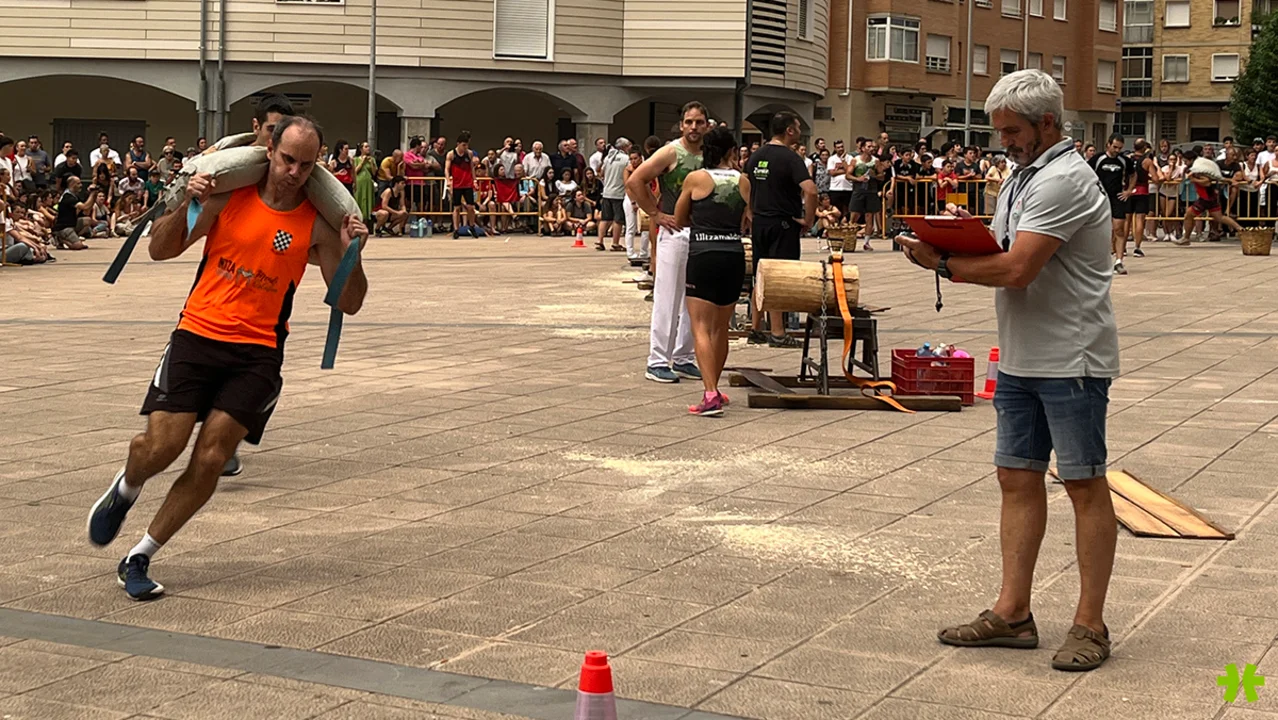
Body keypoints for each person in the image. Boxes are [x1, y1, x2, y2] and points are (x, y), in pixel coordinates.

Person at [85, 116, 370, 601]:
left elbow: (350, 302)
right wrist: (188, 204)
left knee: (212, 457)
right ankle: (127, 487)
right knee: (161, 447)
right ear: (269, 150)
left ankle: (140, 555)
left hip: (258, 354)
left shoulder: (319, 225)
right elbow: (159, 250)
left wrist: (351, 253)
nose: (294, 172)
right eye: (287, 160)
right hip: (197, 336)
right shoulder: (226, 196)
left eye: (306, 165)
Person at [898, 69, 1119, 673]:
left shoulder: (1064, 179)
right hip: (1023, 355)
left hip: (1072, 357)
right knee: (1016, 478)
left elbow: (1019, 269)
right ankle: (1013, 612)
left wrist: (942, 263)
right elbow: (998, 253)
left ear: (1047, 122)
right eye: (999, 132)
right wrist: (948, 242)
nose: (1004, 143)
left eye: (1012, 131)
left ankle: (1090, 624)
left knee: (1084, 484)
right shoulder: (1025, 176)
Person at [626, 102, 707, 384]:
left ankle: (683, 357)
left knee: (693, 299)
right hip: (674, 232)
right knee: (667, 298)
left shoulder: (709, 153)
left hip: (700, 233)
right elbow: (635, 180)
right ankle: (657, 360)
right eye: (689, 122)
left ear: (706, 125)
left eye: (699, 122)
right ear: (681, 125)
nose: (693, 127)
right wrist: (655, 214)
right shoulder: (671, 152)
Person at [674, 125, 750, 417]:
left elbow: (680, 217)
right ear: (732, 151)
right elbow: (746, 219)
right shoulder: (743, 181)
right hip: (733, 254)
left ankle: (709, 395)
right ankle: (714, 388)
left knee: (701, 327)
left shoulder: (696, 178)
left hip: (703, 254)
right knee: (721, 328)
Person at [743, 110, 817, 347]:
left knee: (760, 275)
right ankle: (778, 333)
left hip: (760, 222)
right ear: (789, 131)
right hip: (782, 223)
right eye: (798, 127)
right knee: (778, 276)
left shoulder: (756, 156)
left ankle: (756, 328)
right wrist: (808, 220)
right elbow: (811, 190)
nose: (800, 131)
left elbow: (744, 184)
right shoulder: (790, 158)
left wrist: (749, 212)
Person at [1090, 134, 1134, 275]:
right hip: (1100, 197)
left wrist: (1128, 190)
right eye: (1115, 147)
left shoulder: (1123, 160)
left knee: (1119, 228)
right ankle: (1099, 260)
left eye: (1120, 148)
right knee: (1099, 229)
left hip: (1117, 197)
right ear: (1108, 144)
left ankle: (1119, 261)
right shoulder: (1098, 159)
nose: (1117, 150)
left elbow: (1133, 175)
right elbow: (1086, 174)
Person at [1180, 155, 1243, 243]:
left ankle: (1186, 238)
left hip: (1206, 198)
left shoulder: (1198, 172)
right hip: (1210, 197)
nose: (1185, 163)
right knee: (1220, 217)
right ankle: (1241, 229)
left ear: (1191, 160)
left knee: (1189, 214)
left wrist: (1193, 179)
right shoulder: (1196, 170)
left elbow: (1207, 182)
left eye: (1186, 161)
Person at [445, 131, 481, 238]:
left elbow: (472, 168)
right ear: (458, 144)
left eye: (467, 145)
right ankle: (456, 229)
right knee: (456, 207)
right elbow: (447, 169)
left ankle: (472, 226)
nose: (465, 147)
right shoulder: (451, 154)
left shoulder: (469, 154)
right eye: (463, 145)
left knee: (471, 207)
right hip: (456, 184)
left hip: (467, 184)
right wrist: (448, 180)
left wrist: (475, 180)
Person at [599, 137, 631, 252]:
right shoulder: (626, 159)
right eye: (629, 146)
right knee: (618, 219)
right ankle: (615, 243)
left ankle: (600, 241)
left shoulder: (608, 158)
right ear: (624, 147)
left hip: (607, 192)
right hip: (619, 193)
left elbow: (601, 173)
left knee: (605, 218)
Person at [1129, 140, 1155, 257]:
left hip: (1128, 191)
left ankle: (1122, 247)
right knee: (1140, 220)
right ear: (1144, 148)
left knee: (1127, 220)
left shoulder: (1128, 159)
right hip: (1142, 190)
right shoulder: (1147, 161)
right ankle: (1137, 247)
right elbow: (1155, 178)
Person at [353, 142, 377, 222]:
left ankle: (368, 218)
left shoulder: (372, 159)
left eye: (368, 147)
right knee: (359, 198)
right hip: (359, 182)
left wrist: (371, 163)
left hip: (368, 183)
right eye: (366, 147)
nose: (368, 148)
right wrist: (362, 162)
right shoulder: (355, 159)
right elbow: (355, 171)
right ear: (361, 149)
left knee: (368, 199)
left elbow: (374, 173)